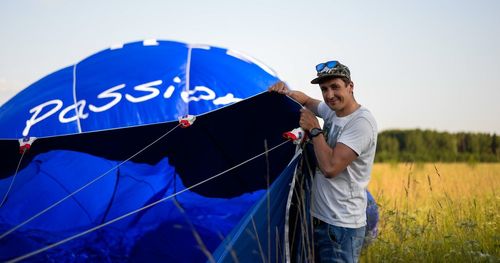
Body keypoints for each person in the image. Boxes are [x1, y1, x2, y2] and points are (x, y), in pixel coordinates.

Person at [269, 61, 377, 263]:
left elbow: (330, 168)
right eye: (324, 89)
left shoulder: (361, 123)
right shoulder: (332, 111)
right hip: (320, 220)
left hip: (341, 227)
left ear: (350, 86)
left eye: (335, 87)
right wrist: (285, 90)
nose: (329, 95)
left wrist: (315, 129)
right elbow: (307, 100)